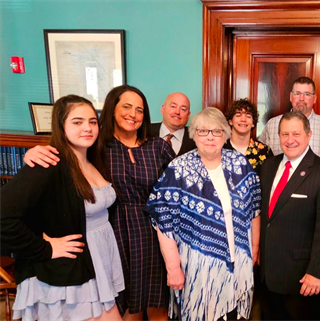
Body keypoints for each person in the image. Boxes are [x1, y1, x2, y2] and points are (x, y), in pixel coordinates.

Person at [23, 85, 176, 321]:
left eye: (139, 110)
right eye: (126, 106)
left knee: (158, 304)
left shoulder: (159, 147)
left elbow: (178, 188)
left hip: (155, 235)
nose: (132, 114)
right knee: (126, 306)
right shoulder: (97, 147)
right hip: (113, 234)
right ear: (112, 109)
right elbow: (65, 154)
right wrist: (33, 152)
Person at [0, 95, 124, 320]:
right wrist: (44, 248)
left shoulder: (94, 159)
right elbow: (3, 216)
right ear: (61, 126)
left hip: (98, 261)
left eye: (92, 121)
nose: (87, 128)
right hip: (70, 273)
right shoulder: (48, 164)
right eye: (77, 122)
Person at [145, 107, 261, 321]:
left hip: (238, 262)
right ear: (194, 134)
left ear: (225, 134)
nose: (210, 137)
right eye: (202, 131)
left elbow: (254, 209)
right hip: (196, 267)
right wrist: (173, 268)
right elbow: (163, 221)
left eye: (216, 131)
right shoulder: (178, 169)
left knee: (233, 315)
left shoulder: (239, 164)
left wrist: (254, 250)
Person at [259, 111, 320, 321]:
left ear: (309, 135)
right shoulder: (268, 166)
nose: (290, 140)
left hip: (301, 278)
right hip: (267, 274)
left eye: (296, 134)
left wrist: (317, 272)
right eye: (284, 134)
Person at [258, 77, 320, 167]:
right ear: (291, 96)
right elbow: (260, 158)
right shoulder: (273, 124)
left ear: (314, 98)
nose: (301, 98)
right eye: (297, 93)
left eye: (307, 94)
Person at [224, 98, 273, 173]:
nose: (243, 119)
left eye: (248, 116)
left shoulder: (265, 152)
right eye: (238, 115)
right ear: (230, 121)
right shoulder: (220, 149)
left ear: (253, 123)